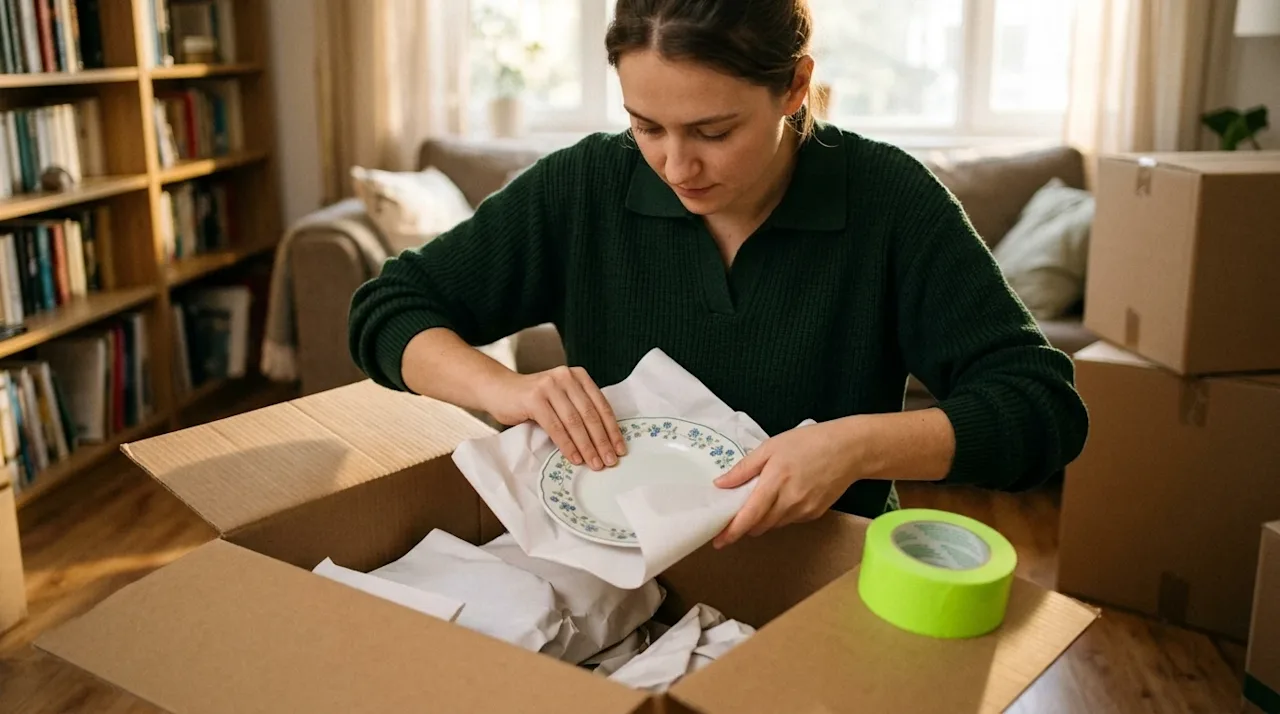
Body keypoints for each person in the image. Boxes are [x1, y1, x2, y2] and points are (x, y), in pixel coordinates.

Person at [347, 0, 1089, 550]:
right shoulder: (582, 188)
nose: (675, 165)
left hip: (824, 567)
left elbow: (1041, 408)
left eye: (714, 131)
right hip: (619, 563)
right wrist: (505, 391)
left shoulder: (889, 200)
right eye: (646, 125)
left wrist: (856, 446)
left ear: (795, 87)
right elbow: (388, 308)